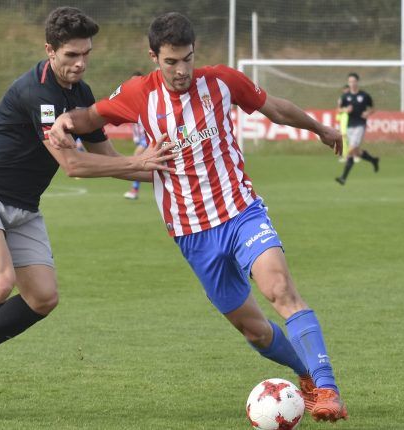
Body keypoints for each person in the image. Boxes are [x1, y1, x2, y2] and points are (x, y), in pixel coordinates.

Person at [49, 12, 348, 423]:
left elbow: (275, 108)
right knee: (255, 331)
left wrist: (321, 129)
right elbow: (90, 118)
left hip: (240, 212)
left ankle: (327, 385)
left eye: (187, 59)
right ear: (153, 56)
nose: (181, 70)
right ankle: (305, 375)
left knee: (279, 289)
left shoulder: (223, 81)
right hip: (191, 234)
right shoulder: (139, 93)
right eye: (171, 62)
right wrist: (67, 120)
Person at [0, 7, 173, 421]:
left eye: (85, 54)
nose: (79, 63)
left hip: (24, 205)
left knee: (43, 297)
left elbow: (107, 158)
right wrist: (140, 165)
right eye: (70, 55)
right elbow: (75, 165)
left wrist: (164, 174)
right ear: (49, 51)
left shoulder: (81, 95)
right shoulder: (38, 93)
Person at [335, 72, 379, 185]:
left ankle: (343, 177)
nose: (352, 84)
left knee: (351, 150)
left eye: (354, 81)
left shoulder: (364, 96)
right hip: (350, 126)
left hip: (360, 125)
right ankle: (373, 160)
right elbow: (338, 109)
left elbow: (373, 108)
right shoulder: (345, 96)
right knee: (356, 151)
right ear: (348, 83)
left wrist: (368, 113)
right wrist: (345, 110)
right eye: (350, 82)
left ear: (357, 82)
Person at [123, 71, 149, 200]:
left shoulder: (149, 97)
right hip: (140, 139)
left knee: (137, 156)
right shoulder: (129, 98)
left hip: (149, 138)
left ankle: (134, 190)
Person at [335, 84, 350, 163]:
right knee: (343, 138)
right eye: (345, 90)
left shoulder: (350, 99)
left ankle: (347, 156)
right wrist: (344, 109)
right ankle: (343, 156)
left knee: (348, 139)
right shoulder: (342, 99)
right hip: (343, 121)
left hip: (349, 121)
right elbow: (338, 110)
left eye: (348, 90)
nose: (347, 92)